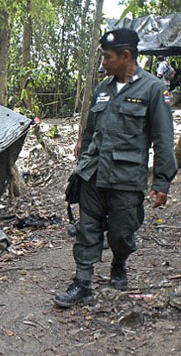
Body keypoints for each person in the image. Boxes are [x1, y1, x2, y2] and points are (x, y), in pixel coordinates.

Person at [57, 28, 178, 308]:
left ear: (126, 56)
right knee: (87, 229)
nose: (104, 63)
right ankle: (82, 281)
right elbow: (89, 132)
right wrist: (83, 159)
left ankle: (119, 263)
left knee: (122, 232)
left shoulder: (153, 89)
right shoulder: (103, 89)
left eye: (108, 57)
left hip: (126, 177)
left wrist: (161, 183)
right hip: (94, 174)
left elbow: (163, 138)